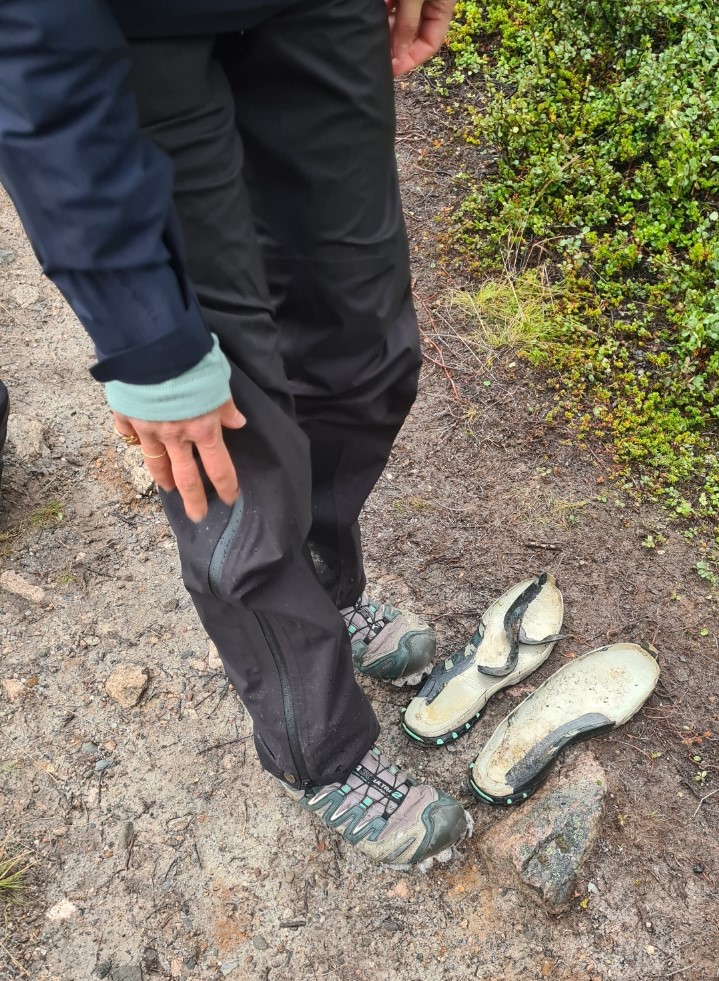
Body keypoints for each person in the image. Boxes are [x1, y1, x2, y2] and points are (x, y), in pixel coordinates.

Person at [0, 0, 468, 868]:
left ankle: (324, 575)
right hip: (110, 33)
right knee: (224, 432)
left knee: (362, 341)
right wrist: (143, 332)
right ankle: (319, 747)